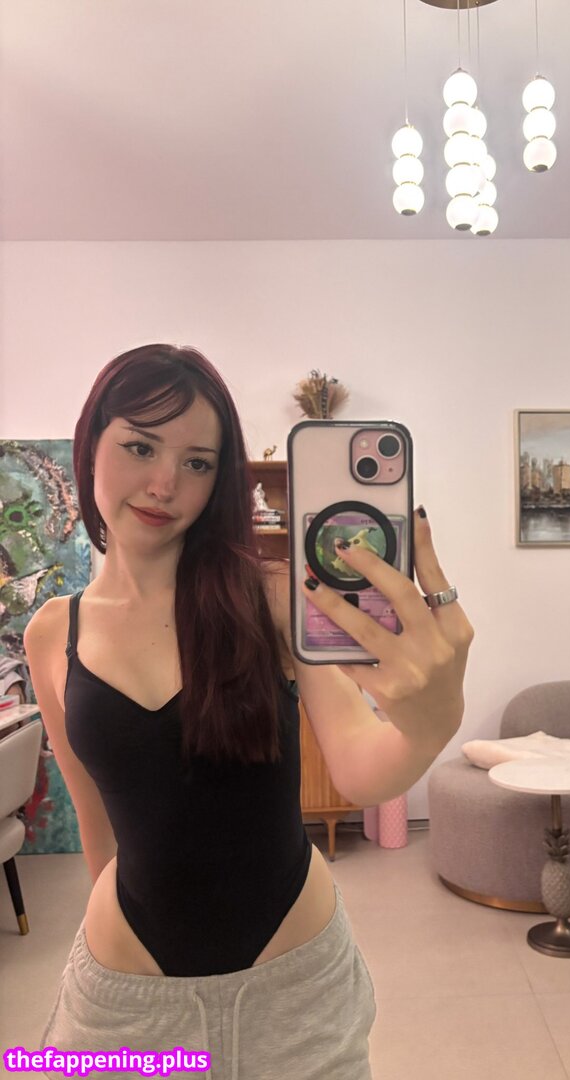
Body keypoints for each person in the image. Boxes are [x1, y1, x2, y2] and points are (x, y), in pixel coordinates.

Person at [22, 343, 474, 1080]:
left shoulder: (270, 598)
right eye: (140, 446)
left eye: (197, 462)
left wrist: (431, 722)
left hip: (293, 990)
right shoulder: (53, 633)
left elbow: (362, 767)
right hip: (123, 1002)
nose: (164, 483)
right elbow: (97, 826)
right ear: (91, 442)